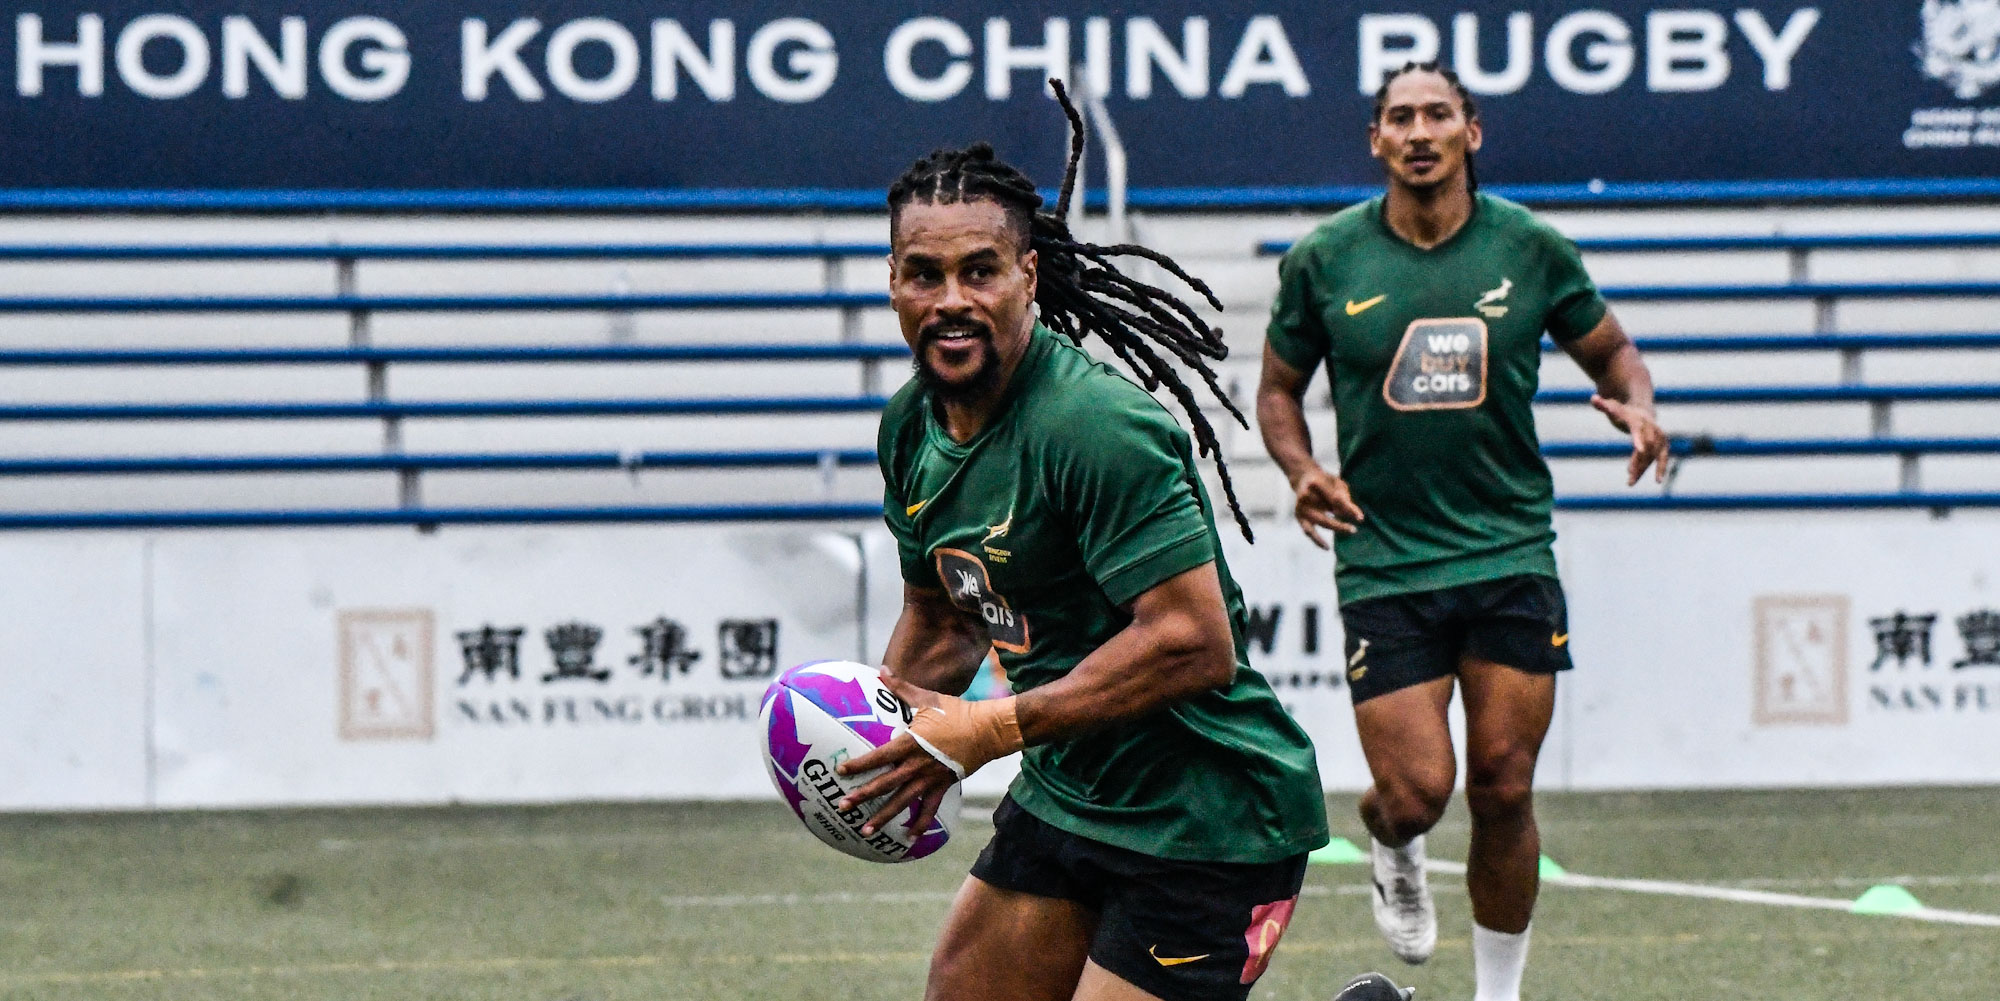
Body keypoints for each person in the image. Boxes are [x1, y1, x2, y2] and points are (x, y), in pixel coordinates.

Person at [833, 85, 1410, 1001]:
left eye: (980, 271)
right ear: (892, 280)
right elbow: (944, 617)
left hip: (1208, 812)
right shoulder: (910, 426)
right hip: (1071, 786)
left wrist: (988, 727)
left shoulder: (1094, 426)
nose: (951, 300)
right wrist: (883, 742)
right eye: (924, 274)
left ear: (1029, 274)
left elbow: (1194, 640)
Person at [1255, 62, 1668, 1001]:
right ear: (1376, 140)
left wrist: (1640, 405)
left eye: (1437, 114)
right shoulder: (1325, 259)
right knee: (1415, 792)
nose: (1419, 132)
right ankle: (1393, 842)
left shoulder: (1530, 246)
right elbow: (1278, 389)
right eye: (1400, 117)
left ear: (1470, 132)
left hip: (1509, 547)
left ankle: (1498, 993)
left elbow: (1612, 350)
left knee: (1504, 783)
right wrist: (1301, 467)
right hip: (1385, 557)